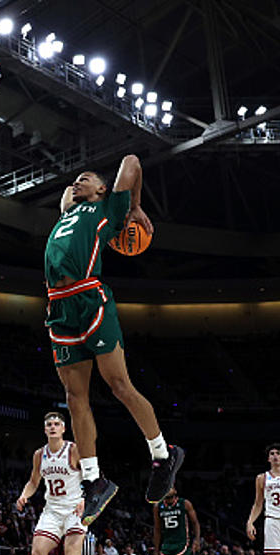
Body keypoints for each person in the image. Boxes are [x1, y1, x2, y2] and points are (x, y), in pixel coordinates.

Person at [45, 156, 183, 524]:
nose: (76, 183)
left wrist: (133, 205)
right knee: (75, 399)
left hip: (91, 297)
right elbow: (65, 193)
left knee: (119, 384)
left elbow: (133, 161)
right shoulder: (68, 211)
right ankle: (93, 481)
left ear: (103, 189)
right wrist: (81, 185)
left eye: (85, 178)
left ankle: (163, 454)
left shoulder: (108, 209)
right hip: (58, 306)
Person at [15, 412, 92, 555]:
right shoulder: (40, 454)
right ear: (45, 429)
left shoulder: (74, 449)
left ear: (63, 429)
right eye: (49, 424)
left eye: (57, 424)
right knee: (37, 553)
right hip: (52, 510)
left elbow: (92, 477)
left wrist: (86, 499)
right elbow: (33, 481)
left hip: (74, 509)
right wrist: (24, 495)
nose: (52, 427)